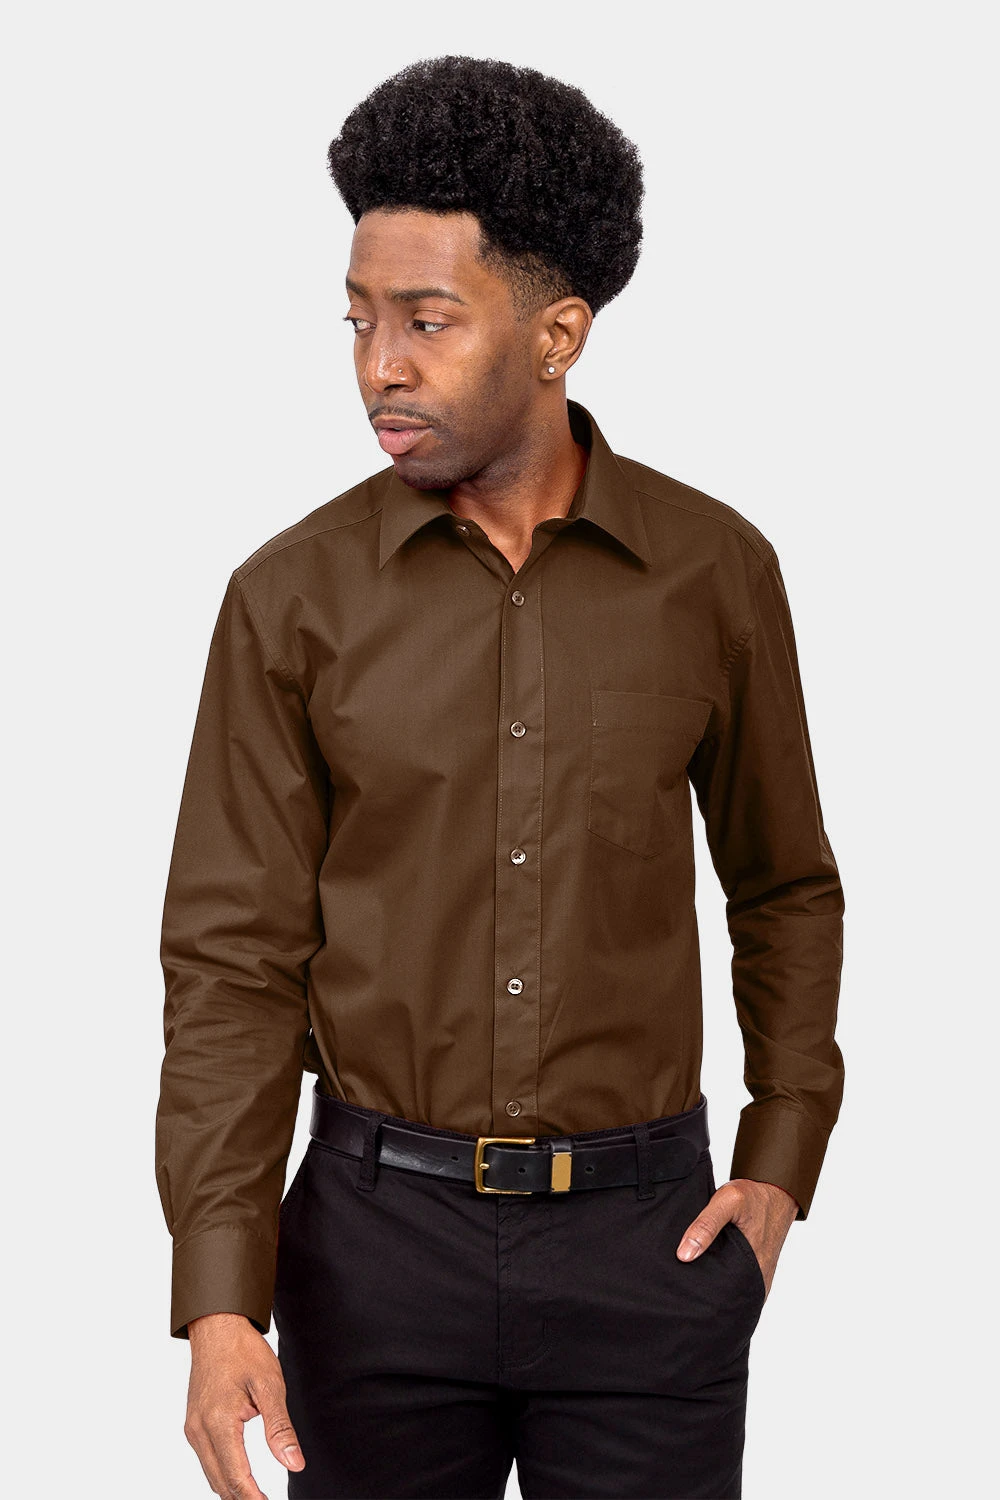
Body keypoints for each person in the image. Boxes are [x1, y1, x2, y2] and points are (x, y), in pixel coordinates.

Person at [155, 54, 845, 1500]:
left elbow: (785, 886)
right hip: (370, 1254)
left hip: (651, 1248)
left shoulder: (715, 573)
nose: (378, 367)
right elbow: (231, 962)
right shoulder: (290, 597)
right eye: (358, 320)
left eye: (426, 321)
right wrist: (221, 1295)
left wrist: (781, 1157)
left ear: (557, 333)